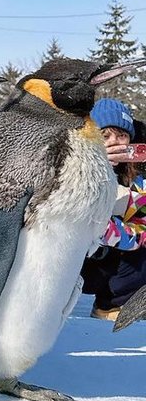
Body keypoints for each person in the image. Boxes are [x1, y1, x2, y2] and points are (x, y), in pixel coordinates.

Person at [80, 98, 146, 320]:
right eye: (104, 135)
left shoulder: (138, 178)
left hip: (113, 264)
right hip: (75, 260)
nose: (113, 142)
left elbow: (141, 230)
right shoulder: (74, 166)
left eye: (122, 135)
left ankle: (111, 307)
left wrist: (106, 230)